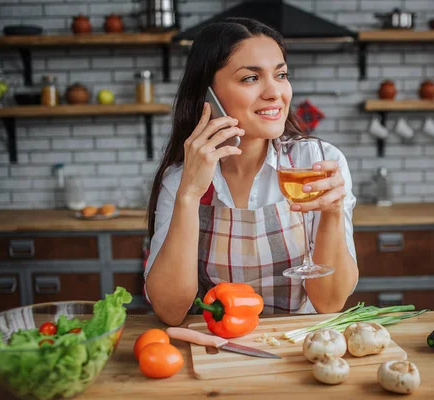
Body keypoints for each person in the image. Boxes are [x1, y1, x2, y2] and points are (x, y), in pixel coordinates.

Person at [144, 17, 358, 326]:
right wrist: (188, 196)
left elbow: (329, 301)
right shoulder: (181, 178)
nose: (275, 93)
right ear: (209, 96)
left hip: (296, 345)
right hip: (217, 348)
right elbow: (170, 311)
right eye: (250, 79)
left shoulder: (317, 161)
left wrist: (333, 212)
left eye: (281, 74)